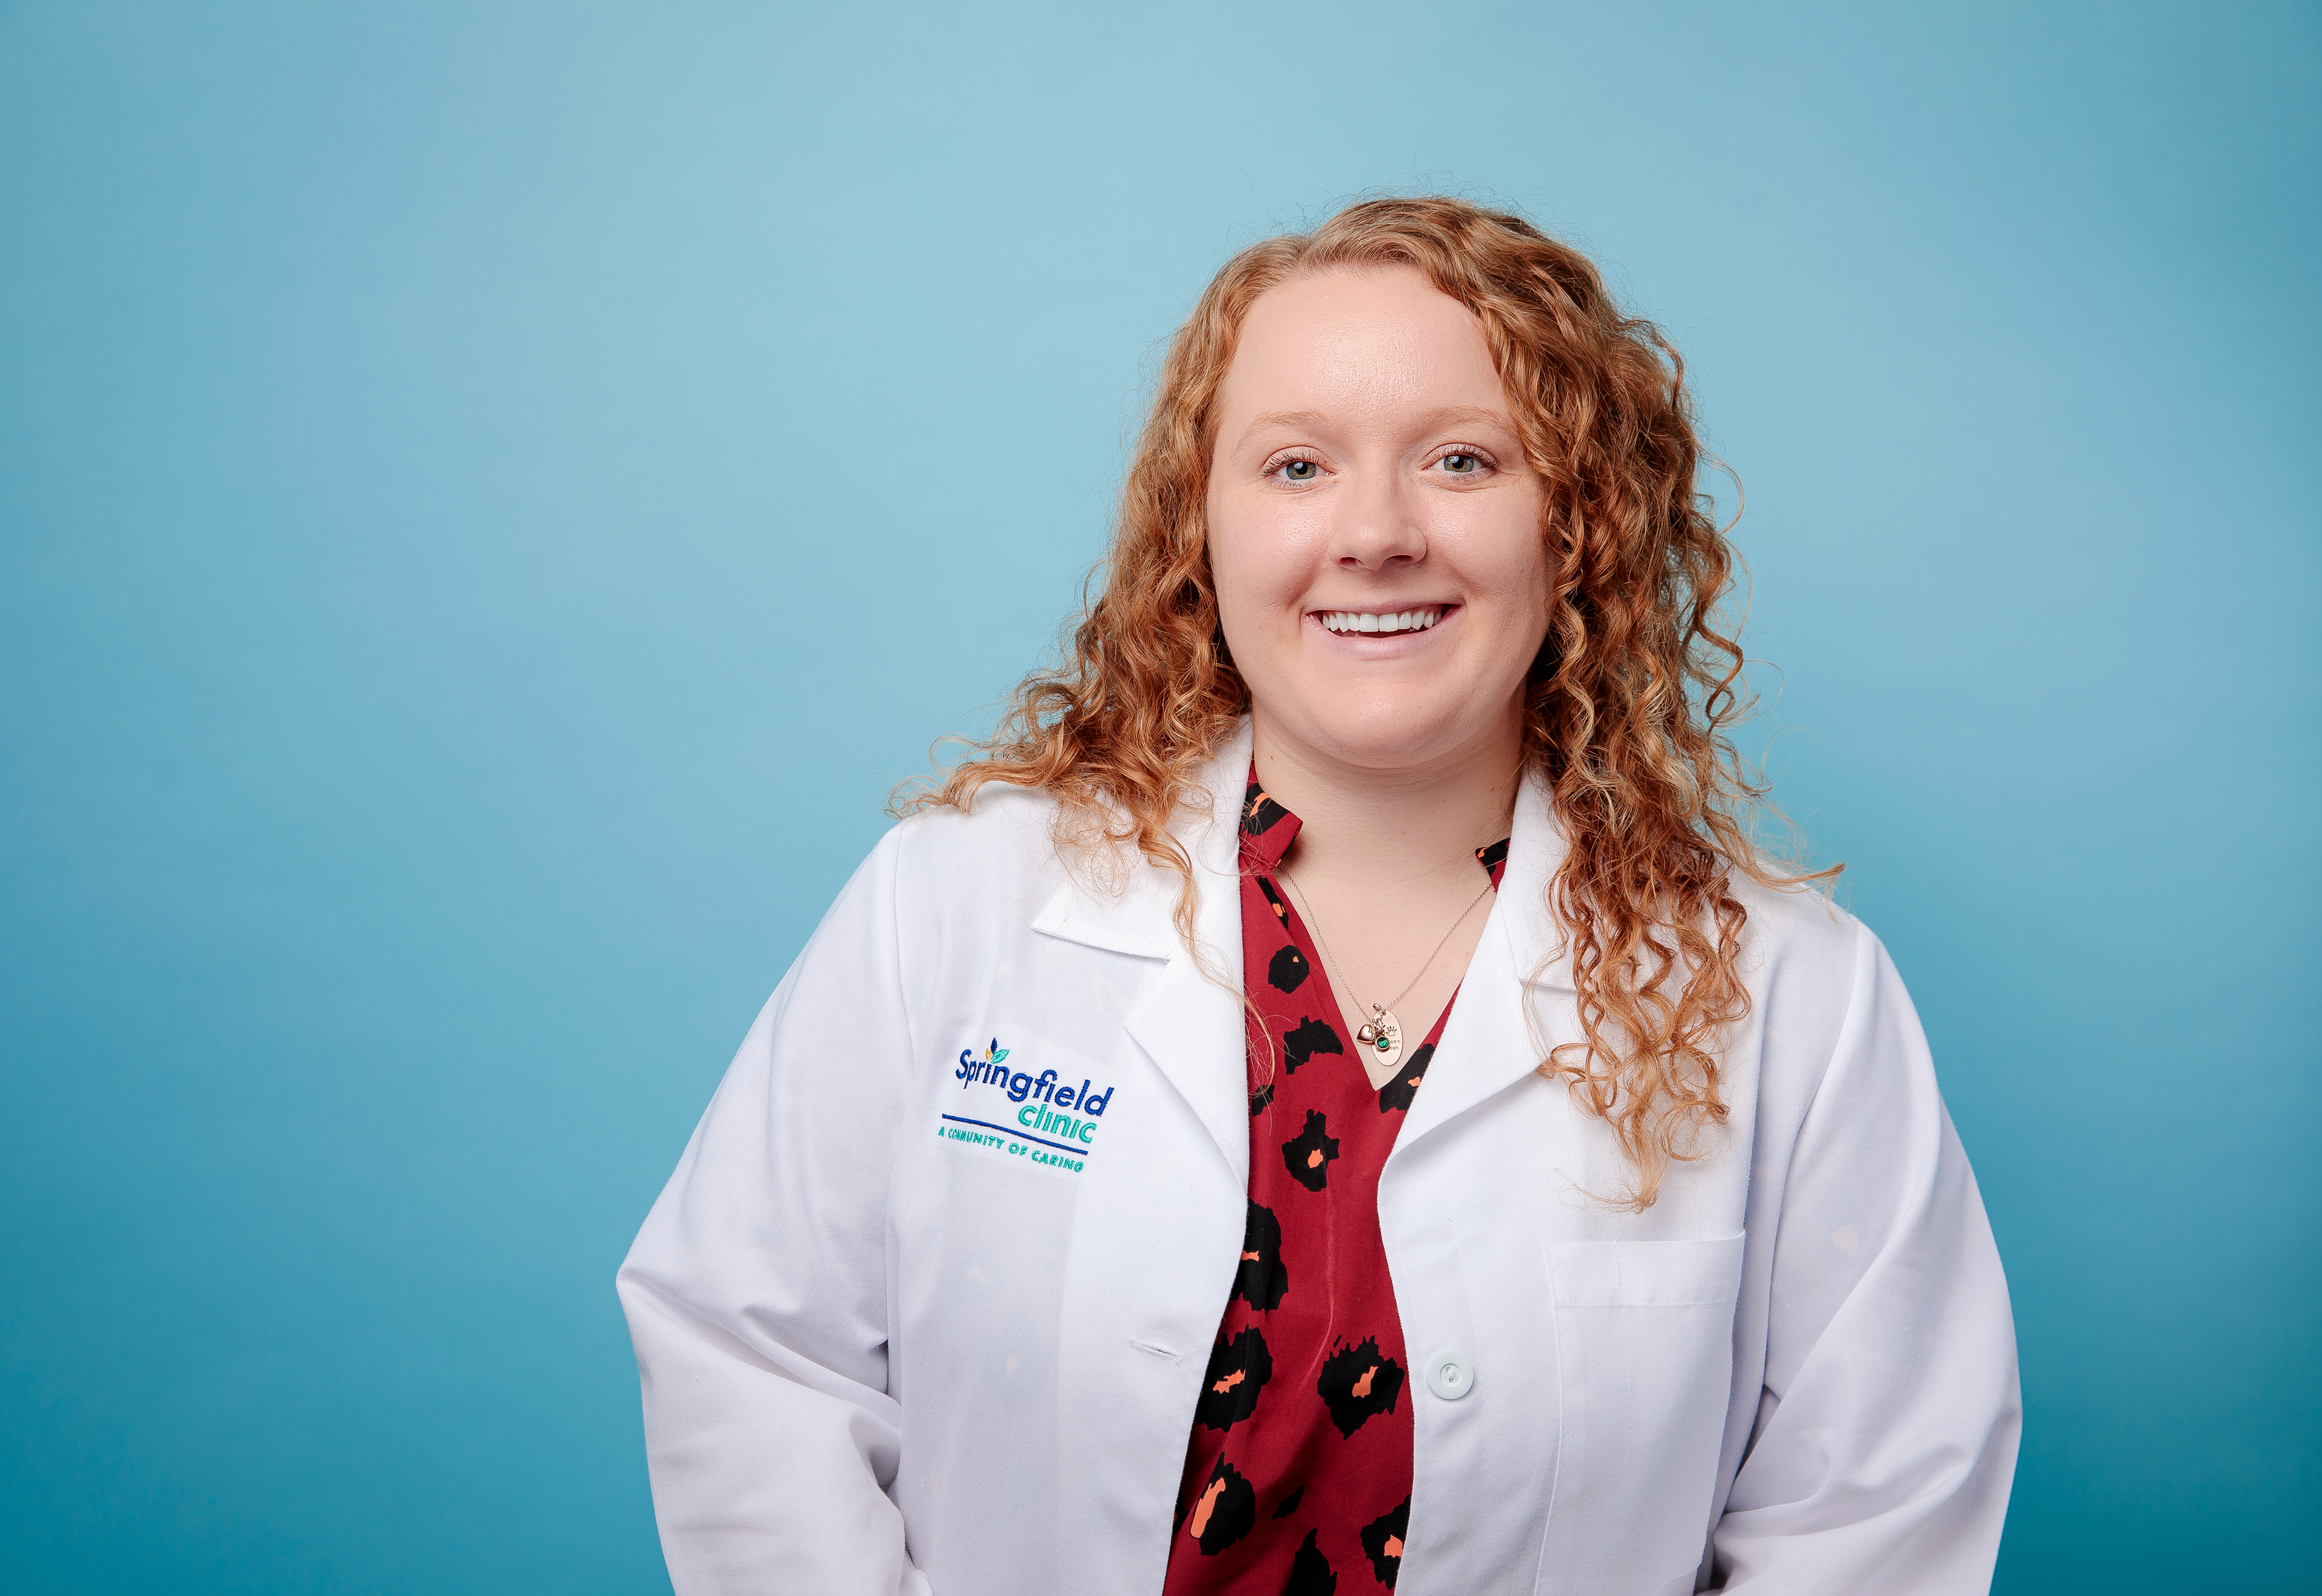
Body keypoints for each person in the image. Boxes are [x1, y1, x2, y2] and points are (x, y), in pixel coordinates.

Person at [616, 196, 2020, 1596]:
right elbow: (754, 1363)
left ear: (1580, 525)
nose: (1376, 533)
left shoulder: (1792, 998)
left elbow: (1877, 1514)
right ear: (1201, 527)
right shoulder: (958, 905)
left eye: (1464, 460)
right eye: (1296, 466)